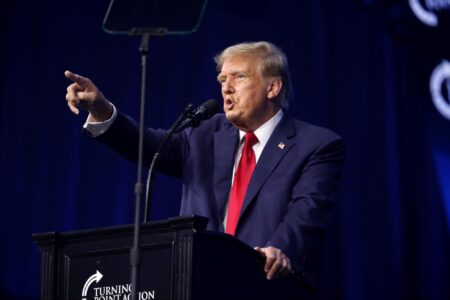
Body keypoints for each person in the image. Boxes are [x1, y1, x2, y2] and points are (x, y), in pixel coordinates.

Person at [65, 41, 345, 293]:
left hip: (266, 284)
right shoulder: (205, 132)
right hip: (196, 284)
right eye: (222, 78)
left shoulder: (316, 144)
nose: (226, 86)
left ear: (272, 87)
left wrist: (280, 249)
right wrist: (101, 110)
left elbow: (308, 210)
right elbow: (149, 145)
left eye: (239, 76)